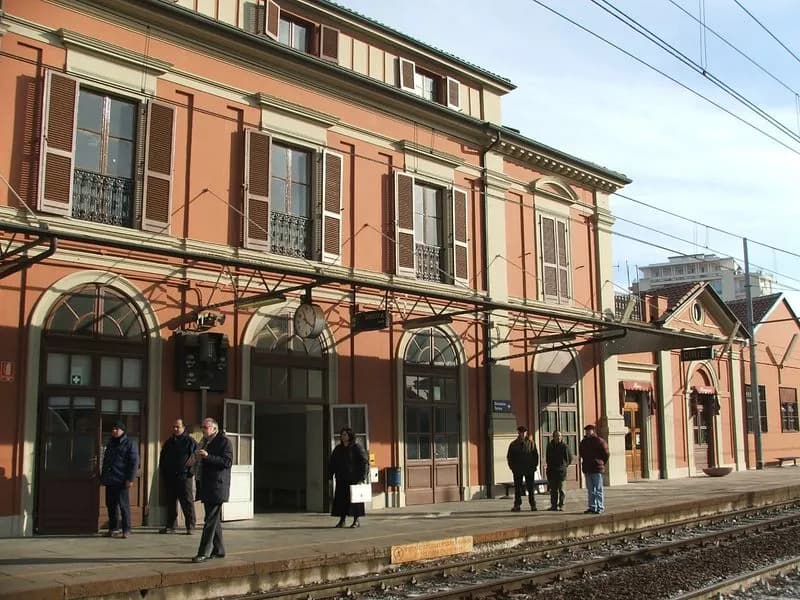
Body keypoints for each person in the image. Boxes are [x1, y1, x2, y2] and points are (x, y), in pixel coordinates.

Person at [191, 417, 233, 562]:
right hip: (205, 485)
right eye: (202, 427)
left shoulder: (224, 442)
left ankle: (203, 552)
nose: (203, 429)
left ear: (214, 428)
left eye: (206, 427)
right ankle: (219, 550)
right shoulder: (204, 442)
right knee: (213, 520)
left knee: (209, 520)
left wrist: (208, 457)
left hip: (217, 486)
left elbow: (227, 462)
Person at [100, 421, 139, 538]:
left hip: (122, 480)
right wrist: (103, 477)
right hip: (110, 479)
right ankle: (113, 528)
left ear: (122, 430)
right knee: (111, 505)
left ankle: (126, 529)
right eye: (113, 429)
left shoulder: (129, 443)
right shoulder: (111, 443)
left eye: (117, 429)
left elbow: (134, 462)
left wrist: (130, 479)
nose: (114, 431)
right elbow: (106, 461)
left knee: (123, 505)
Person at [159, 418, 198, 534]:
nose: (175, 429)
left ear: (183, 428)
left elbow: (196, 458)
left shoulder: (190, 442)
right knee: (170, 502)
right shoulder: (168, 442)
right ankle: (171, 525)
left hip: (184, 477)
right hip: (170, 477)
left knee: (187, 502)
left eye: (178, 427)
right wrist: (164, 473)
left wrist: (190, 473)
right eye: (174, 427)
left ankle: (190, 526)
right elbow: (162, 459)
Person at [329, 426, 369, 528]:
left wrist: (362, 477)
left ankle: (356, 520)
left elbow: (364, 462)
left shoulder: (356, 448)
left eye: (345, 435)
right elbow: (332, 462)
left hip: (354, 478)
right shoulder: (338, 449)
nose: (343, 437)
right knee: (341, 500)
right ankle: (342, 520)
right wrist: (330, 474)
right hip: (341, 478)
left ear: (350, 436)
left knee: (354, 500)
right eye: (342, 435)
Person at [506, 425, 539, 512]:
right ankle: (517, 505)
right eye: (521, 432)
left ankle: (533, 505)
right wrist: (512, 467)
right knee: (518, 488)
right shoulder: (513, 444)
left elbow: (535, 455)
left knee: (530, 488)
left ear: (526, 433)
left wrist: (534, 466)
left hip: (529, 469)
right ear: (518, 433)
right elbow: (510, 457)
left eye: (524, 432)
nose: (523, 434)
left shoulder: (531, 443)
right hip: (518, 469)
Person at [579, 423, 610, 514]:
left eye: (589, 430)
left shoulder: (599, 441)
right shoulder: (584, 442)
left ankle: (600, 507)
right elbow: (581, 453)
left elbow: (606, 453)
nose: (588, 432)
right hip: (587, 468)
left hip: (597, 468)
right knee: (590, 489)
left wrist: (601, 462)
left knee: (598, 489)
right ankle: (592, 507)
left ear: (593, 431)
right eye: (587, 431)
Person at [545, 430, 573, 511]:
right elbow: (547, 458)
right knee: (553, 490)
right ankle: (553, 505)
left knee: (562, 489)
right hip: (552, 471)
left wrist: (564, 466)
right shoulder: (549, 446)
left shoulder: (565, 446)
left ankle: (561, 505)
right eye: (557, 436)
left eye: (560, 436)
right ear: (553, 437)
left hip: (561, 471)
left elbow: (569, 458)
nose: (559, 437)